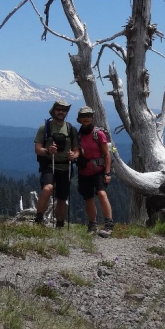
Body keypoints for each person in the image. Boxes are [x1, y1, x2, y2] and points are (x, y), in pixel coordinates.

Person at [33, 99, 79, 228]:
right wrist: (48, 150)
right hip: (49, 164)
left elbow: (77, 151)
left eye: (64, 110)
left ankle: (59, 224)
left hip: (66, 166)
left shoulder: (71, 129)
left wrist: (73, 156)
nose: (61, 112)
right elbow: (37, 149)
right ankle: (39, 218)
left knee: (62, 199)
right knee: (48, 188)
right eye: (58, 109)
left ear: (66, 113)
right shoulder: (45, 127)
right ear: (53, 111)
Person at [75, 106, 114, 237]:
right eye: (83, 116)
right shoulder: (78, 135)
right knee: (88, 198)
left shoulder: (98, 134)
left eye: (88, 116)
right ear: (79, 119)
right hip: (84, 171)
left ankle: (108, 224)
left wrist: (107, 173)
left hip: (99, 170)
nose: (86, 118)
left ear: (92, 118)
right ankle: (93, 225)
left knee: (102, 194)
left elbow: (107, 154)